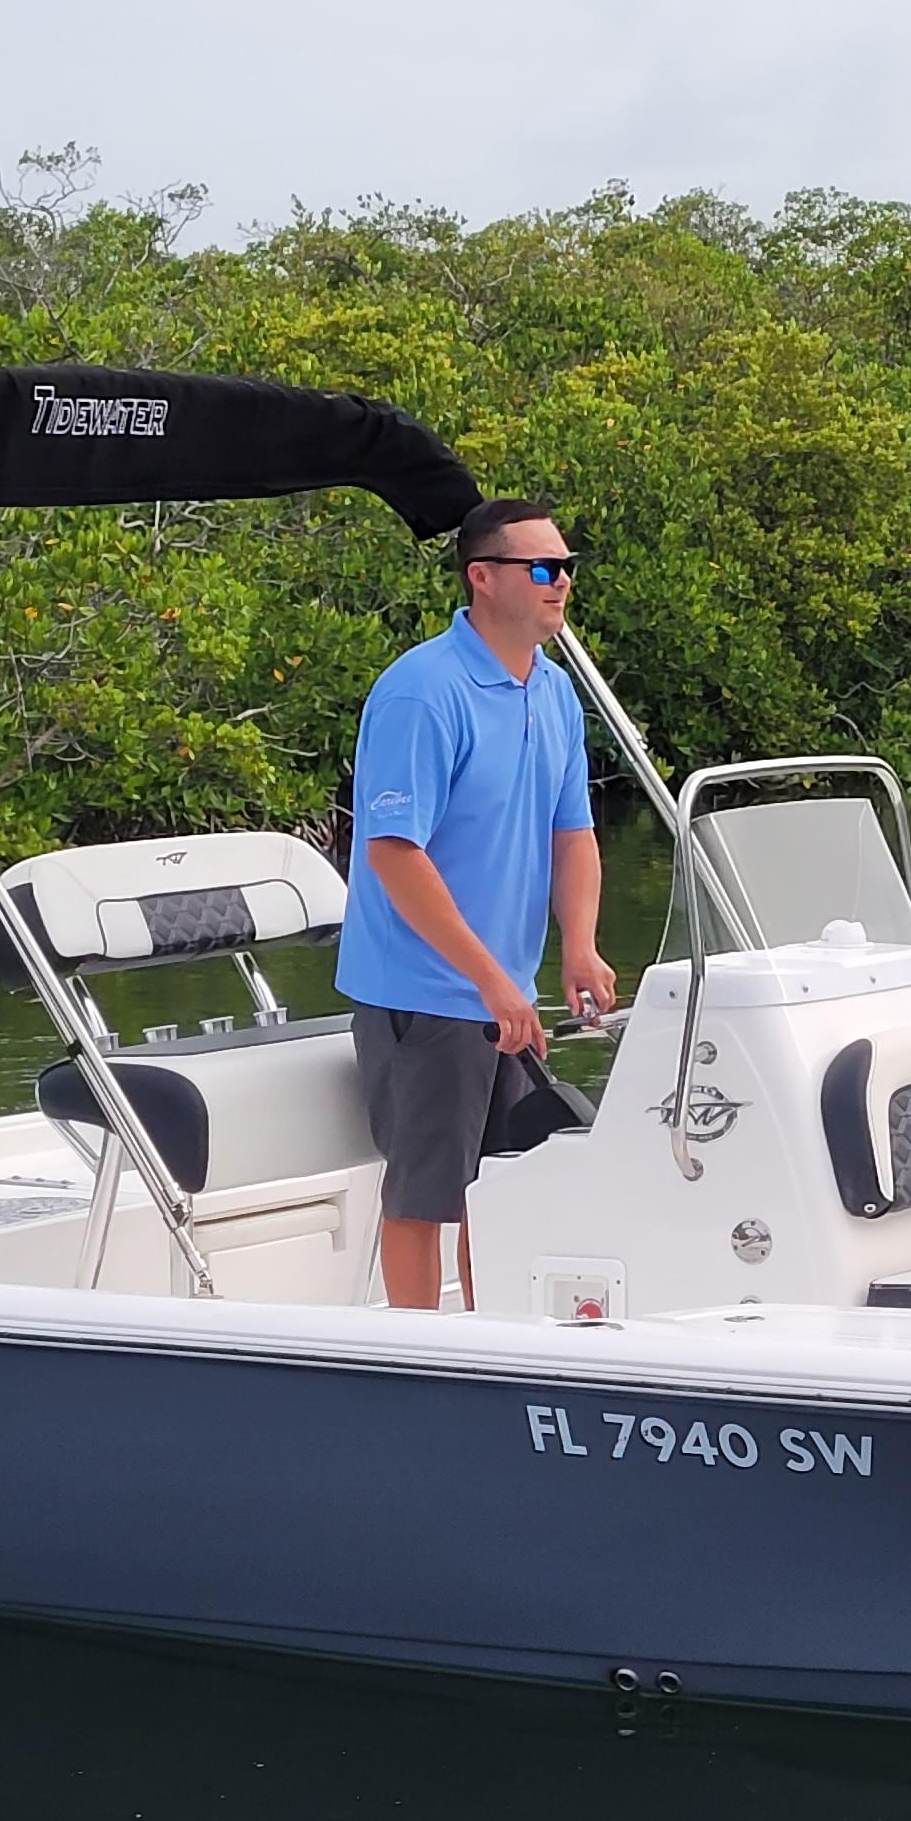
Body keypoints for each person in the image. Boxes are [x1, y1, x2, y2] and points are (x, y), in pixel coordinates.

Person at [335, 496, 614, 1312]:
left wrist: (579, 946)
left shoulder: (554, 693)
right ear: (483, 578)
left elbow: (574, 834)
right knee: (426, 1193)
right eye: (542, 568)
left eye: (566, 567)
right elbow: (393, 851)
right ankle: (420, 1360)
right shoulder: (423, 692)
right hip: (426, 995)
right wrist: (490, 980)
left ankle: (489, 1341)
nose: (560, 582)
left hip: (507, 994)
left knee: (502, 1185)